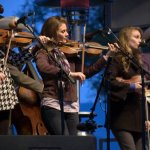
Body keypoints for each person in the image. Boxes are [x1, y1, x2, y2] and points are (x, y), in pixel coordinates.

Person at [34, 16, 115, 135]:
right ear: (52, 33)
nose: (67, 34)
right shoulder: (43, 52)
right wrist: (69, 73)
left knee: (73, 144)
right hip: (52, 102)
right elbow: (44, 68)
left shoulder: (70, 53)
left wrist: (106, 57)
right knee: (63, 141)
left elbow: (85, 72)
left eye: (67, 31)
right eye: (63, 31)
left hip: (71, 104)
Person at [106, 26, 150, 150]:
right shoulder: (116, 59)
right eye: (136, 37)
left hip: (138, 117)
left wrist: (148, 118)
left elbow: (145, 93)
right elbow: (108, 82)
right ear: (126, 39)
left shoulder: (138, 63)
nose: (140, 40)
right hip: (122, 116)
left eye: (140, 37)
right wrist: (131, 85)